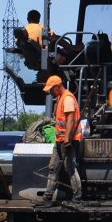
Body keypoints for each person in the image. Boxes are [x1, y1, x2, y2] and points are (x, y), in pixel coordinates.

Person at [36, 76, 83, 207]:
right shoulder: (61, 98)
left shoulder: (67, 98)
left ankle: (77, 198)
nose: (50, 92)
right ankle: (47, 198)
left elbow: (71, 120)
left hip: (67, 141)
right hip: (60, 141)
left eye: (51, 89)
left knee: (70, 168)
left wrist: (67, 140)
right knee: (53, 168)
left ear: (57, 86)